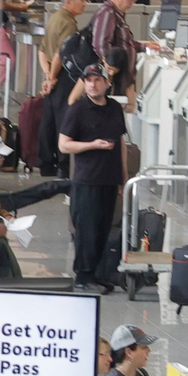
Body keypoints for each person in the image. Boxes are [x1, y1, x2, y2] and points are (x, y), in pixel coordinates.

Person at [59, 64, 129, 292]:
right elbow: (64, 145)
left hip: (109, 178)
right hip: (87, 180)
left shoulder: (115, 108)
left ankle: (96, 274)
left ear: (106, 83)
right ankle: (82, 276)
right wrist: (92, 145)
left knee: (102, 228)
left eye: (97, 79)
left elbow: (122, 145)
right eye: (88, 80)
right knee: (86, 231)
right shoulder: (77, 110)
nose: (92, 84)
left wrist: (123, 177)